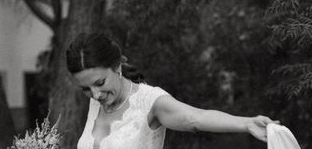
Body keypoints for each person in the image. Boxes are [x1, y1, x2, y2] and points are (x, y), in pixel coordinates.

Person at [67, 32, 279, 149]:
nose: (95, 94)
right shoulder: (96, 102)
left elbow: (196, 118)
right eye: (86, 89)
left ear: (117, 67)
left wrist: (247, 123)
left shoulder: (150, 102)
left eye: (100, 83)